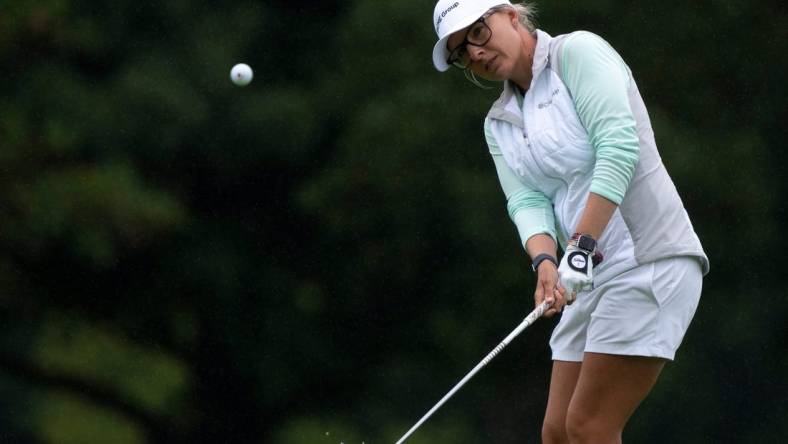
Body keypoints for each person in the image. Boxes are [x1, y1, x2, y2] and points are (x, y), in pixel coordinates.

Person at [430, 1, 710, 443]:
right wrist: (545, 261)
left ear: (510, 15)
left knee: (589, 426)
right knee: (558, 433)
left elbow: (619, 147)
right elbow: (527, 200)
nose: (476, 53)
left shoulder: (577, 54)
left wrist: (579, 247)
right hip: (589, 277)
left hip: (650, 260)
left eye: (478, 33)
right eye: (462, 52)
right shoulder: (498, 123)